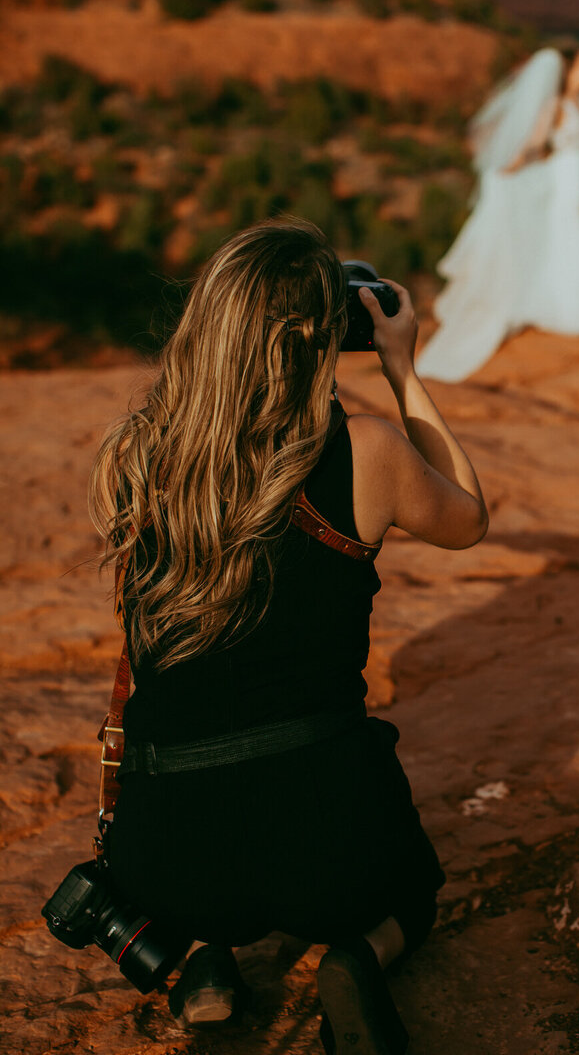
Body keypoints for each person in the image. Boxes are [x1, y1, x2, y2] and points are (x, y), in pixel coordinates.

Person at [89, 220, 488, 1053]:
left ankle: (205, 959)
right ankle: (356, 958)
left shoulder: (139, 456)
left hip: (165, 859)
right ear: (322, 341)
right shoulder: (366, 452)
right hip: (331, 849)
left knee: (209, 802)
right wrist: (403, 367)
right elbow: (466, 516)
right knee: (414, 889)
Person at [415, 45, 579, 384]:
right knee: (565, 237)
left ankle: (578, 307)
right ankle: (564, 306)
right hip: (564, 175)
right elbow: (535, 142)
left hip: (578, 175)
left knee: (576, 239)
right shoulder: (556, 105)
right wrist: (511, 168)